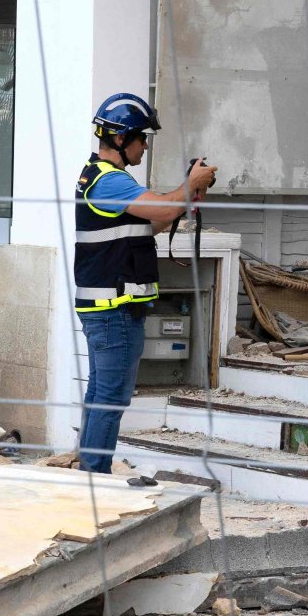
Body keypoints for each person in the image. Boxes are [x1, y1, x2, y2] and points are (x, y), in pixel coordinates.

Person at [74, 92, 217, 473]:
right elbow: (161, 208)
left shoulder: (111, 181)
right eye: (142, 137)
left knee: (104, 395)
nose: (146, 144)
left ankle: (90, 474)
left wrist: (186, 197)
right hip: (113, 312)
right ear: (121, 139)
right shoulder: (109, 182)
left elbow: (151, 222)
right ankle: (94, 479)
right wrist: (188, 186)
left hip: (117, 311)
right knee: (110, 397)